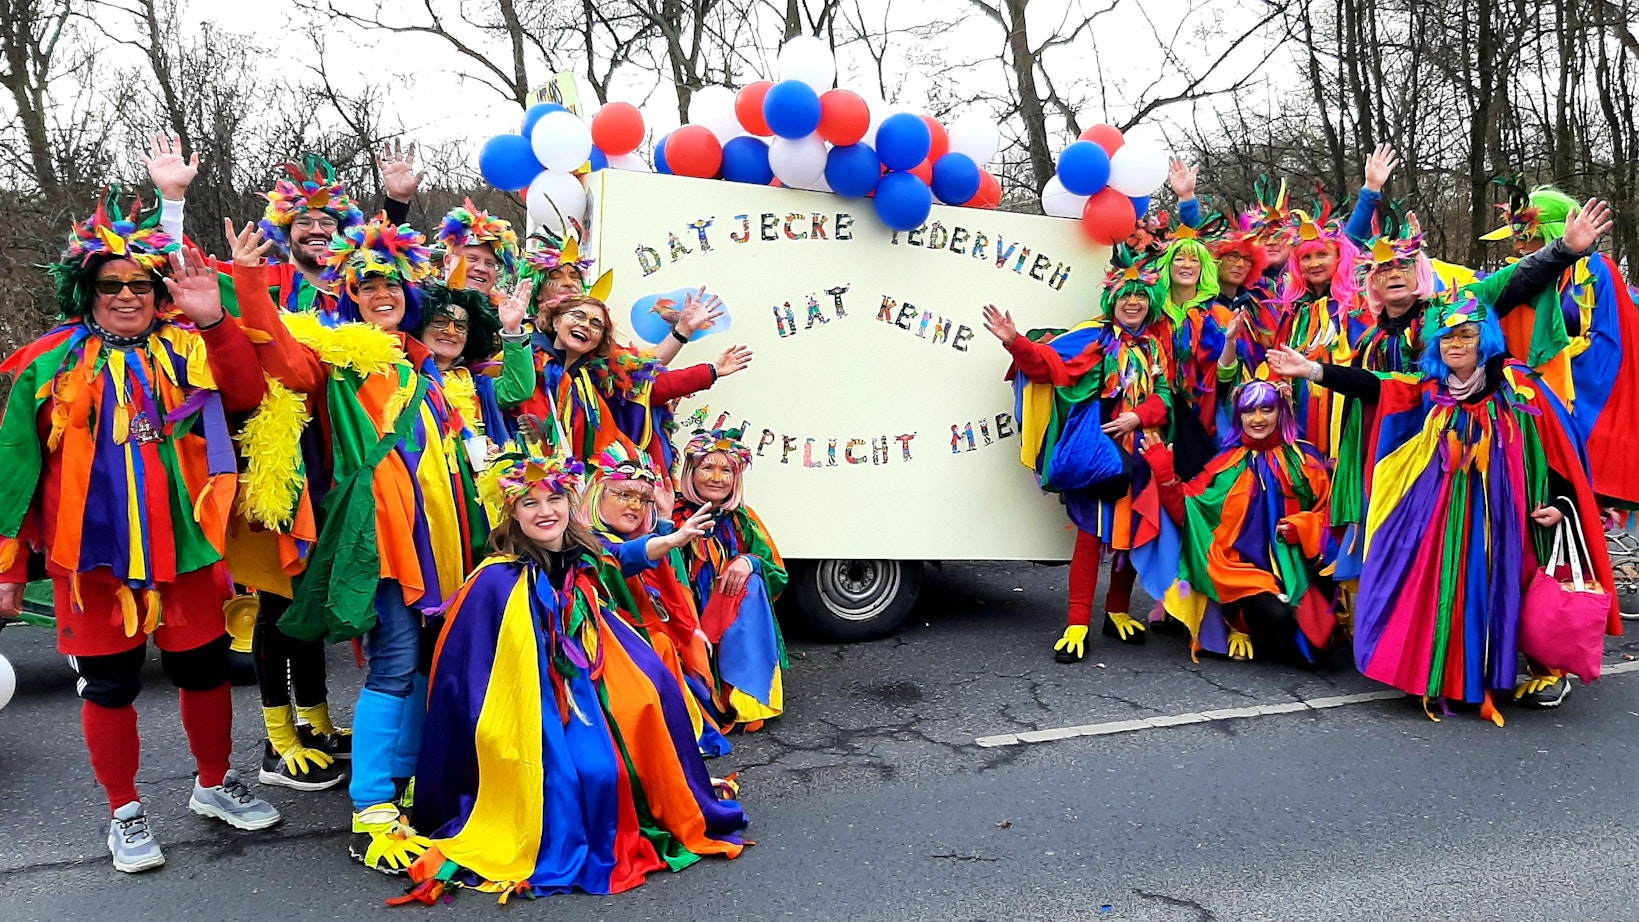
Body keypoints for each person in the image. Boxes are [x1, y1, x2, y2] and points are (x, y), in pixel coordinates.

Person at [0, 192, 280, 872]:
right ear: (86, 291)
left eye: (140, 284)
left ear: (159, 293)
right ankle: (125, 811)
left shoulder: (188, 345)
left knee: (205, 671)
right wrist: (7, 568)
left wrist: (215, 321)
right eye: (110, 285)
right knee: (110, 685)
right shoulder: (49, 363)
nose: (126, 296)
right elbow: (13, 466)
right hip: (91, 560)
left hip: (185, 552)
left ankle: (213, 784)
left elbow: (247, 392)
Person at [227, 215, 485, 871]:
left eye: (390, 282)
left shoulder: (422, 367)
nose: (380, 291)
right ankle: (371, 804)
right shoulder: (339, 362)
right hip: (386, 542)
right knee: (396, 656)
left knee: (425, 657)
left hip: (445, 543)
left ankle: (407, 777)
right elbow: (280, 356)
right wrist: (249, 285)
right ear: (351, 296)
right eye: (367, 283)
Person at [402, 440, 747, 903]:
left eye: (554, 499)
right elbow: (467, 675)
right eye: (530, 503)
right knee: (585, 776)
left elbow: (619, 557)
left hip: (586, 681)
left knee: (652, 700)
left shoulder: (583, 551)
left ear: (570, 502)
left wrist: (671, 539)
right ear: (513, 514)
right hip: (529, 701)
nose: (545, 511)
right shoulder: (495, 578)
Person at [1267, 294, 1621, 720]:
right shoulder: (1432, 390)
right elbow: (1378, 385)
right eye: (1446, 336)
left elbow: (1556, 448)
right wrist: (1312, 370)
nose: (1455, 344)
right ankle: (1449, 676)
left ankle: (1526, 671)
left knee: (1505, 587)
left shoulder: (1519, 386)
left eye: (1466, 334)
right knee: (1444, 586)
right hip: (1441, 514)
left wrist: (1564, 503)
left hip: (1505, 518)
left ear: (1484, 338)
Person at [983, 248, 1177, 661]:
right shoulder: (1094, 338)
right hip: (1095, 454)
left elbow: (1164, 399)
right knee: (1091, 536)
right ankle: (1077, 623)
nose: (1132, 302)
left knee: (1126, 539)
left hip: (1140, 453)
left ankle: (1118, 612)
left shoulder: (1153, 348)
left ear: (1151, 303)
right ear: (1112, 300)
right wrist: (1016, 342)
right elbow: (1048, 366)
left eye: (1140, 296)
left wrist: (1138, 418)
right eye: (1125, 295)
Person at [1473, 180, 1639, 508]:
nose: (1518, 248)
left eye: (1527, 238)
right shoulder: (1523, 276)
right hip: (1531, 396)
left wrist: (1558, 366)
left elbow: (1611, 341)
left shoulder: (1595, 271)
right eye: (1516, 239)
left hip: (1584, 394)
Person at [1148, 381, 1336, 665]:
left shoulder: (1305, 459)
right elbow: (1189, 512)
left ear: (1281, 412)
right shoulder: (1226, 463)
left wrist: (1304, 527)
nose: (1257, 419)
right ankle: (1236, 618)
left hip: (1296, 568)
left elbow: (1331, 514)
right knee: (1278, 617)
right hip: (1241, 571)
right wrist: (1164, 475)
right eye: (1249, 411)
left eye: (1266, 409)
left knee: (1319, 653)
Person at [495, 283, 752, 480]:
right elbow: (509, 393)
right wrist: (513, 330)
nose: (586, 325)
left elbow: (648, 381)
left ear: (599, 340)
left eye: (596, 324)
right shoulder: (523, 354)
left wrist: (710, 367)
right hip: (517, 477)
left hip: (569, 485)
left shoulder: (589, 382)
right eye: (578, 316)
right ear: (555, 320)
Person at [580, 444, 731, 755]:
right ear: (597, 494)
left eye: (642, 499)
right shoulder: (589, 540)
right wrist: (673, 537)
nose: (635, 506)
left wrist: (663, 521)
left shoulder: (626, 535)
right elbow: (624, 557)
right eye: (624, 495)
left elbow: (659, 573)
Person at [671, 430, 789, 731]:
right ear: (691, 472)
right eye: (707, 468)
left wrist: (749, 562)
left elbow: (777, 573)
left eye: (726, 470)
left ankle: (744, 696)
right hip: (684, 617)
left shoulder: (743, 518)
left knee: (754, 585)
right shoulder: (671, 516)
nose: (717, 477)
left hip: (729, 618)